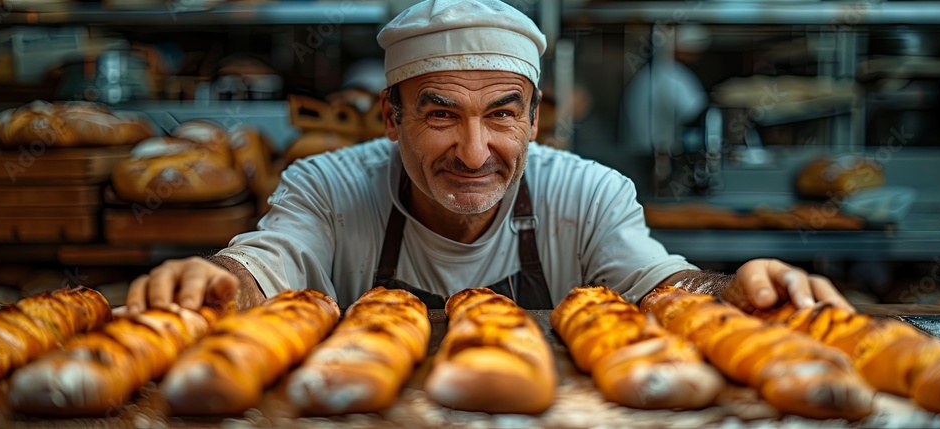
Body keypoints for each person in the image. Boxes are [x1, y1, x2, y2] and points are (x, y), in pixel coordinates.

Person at [124, 0, 855, 315]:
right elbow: (262, 267)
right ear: (391, 118)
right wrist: (214, 278)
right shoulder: (328, 186)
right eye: (441, 115)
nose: (475, 153)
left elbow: (666, 287)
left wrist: (736, 292)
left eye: (501, 115)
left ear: (535, 119)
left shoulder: (589, 194)